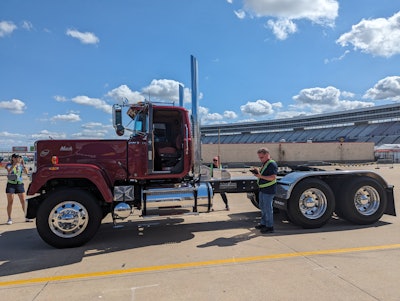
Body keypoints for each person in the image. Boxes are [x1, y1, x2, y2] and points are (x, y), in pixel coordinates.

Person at [252, 148, 278, 233]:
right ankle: (263, 223)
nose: (260, 159)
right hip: (263, 189)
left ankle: (269, 226)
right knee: (263, 207)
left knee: (267, 208)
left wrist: (260, 176)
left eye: (261, 157)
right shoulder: (265, 163)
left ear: (267, 155)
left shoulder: (272, 164)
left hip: (268, 189)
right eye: (259, 157)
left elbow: (273, 177)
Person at [5, 154, 30, 224]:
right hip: (11, 184)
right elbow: (9, 171)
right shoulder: (8, 164)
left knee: (23, 201)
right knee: (10, 202)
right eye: (16, 157)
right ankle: (9, 218)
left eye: (18, 158)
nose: (17, 159)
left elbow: (27, 172)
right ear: (13, 158)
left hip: (19, 184)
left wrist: (23, 164)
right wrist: (14, 165)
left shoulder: (21, 165)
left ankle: (26, 216)